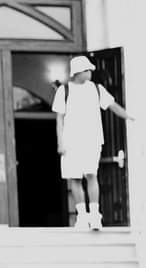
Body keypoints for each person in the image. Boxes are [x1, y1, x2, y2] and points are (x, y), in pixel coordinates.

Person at [51, 55, 134, 231]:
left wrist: (130, 116)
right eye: (87, 70)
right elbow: (60, 119)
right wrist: (60, 142)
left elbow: (113, 105)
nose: (90, 73)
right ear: (77, 72)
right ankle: (82, 216)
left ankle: (95, 215)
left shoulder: (96, 89)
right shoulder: (64, 90)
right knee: (74, 177)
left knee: (91, 175)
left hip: (92, 139)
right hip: (71, 140)